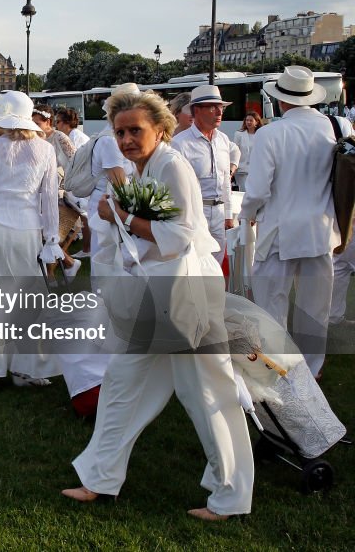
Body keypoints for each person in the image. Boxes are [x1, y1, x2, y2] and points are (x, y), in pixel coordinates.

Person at [63, 89, 253, 521]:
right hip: (158, 294)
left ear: (162, 130)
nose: (127, 139)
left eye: (136, 130)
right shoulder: (144, 169)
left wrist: (122, 217)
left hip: (185, 293)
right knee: (122, 383)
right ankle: (99, 477)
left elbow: (180, 235)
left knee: (207, 392)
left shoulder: (172, 166)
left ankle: (231, 496)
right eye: (120, 132)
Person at [239, 66, 353, 377]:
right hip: (321, 229)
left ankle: (278, 367)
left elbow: (259, 190)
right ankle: (311, 368)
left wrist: (246, 216)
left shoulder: (271, 133)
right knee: (315, 308)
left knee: (272, 304)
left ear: (280, 101)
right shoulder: (335, 126)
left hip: (279, 230)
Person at [0, 91, 62, 388]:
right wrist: (52, 239)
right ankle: (25, 368)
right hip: (27, 229)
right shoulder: (46, 149)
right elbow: (50, 200)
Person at [171, 86, 235, 257]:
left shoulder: (223, 139)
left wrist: (228, 214)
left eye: (221, 107)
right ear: (197, 110)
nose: (219, 112)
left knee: (217, 263)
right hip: (195, 213)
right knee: (196, 264)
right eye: (213, 107)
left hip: (219, 211)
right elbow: (176, 187)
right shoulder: (179, 143)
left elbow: (225, 181)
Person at [85, 84, 138, 257]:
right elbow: (119, 182)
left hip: (111, 202)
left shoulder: (115, 135)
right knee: (106, 259)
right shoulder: (110, 140)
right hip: (108, 203)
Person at [31, 103, 83, 280]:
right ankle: (64, 265)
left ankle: (53, 272)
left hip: (63, 196)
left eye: (37, 123)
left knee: (47, 234)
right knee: (37, 232)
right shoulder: (33, 138)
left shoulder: (59, 137)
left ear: (48, 121)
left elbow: (76, 162)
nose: (34, 126)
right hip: (41, 194)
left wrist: (63, 179)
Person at [232, 111, 261, 191]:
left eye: (251, 120)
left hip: (256, 170)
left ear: (257, 122)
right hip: (242, 170)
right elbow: (235, 151)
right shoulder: (239, 134)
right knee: (244, 192)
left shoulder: (261, 134)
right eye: (247, 120)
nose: (248, 122)